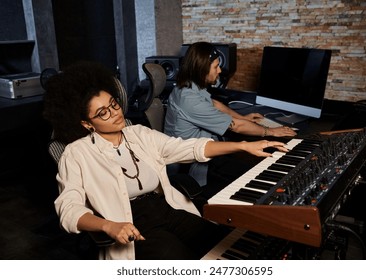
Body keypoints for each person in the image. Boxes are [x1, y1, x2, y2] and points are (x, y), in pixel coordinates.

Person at [43, 61, 289, 260]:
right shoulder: (76, 154)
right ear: (87, 124)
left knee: (222, 242)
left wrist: (244, 145)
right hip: (132, 222)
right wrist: (108, 226)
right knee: (177, 258)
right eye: (102, 113)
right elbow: (68, 208)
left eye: (114, 104)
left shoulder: (138, 133)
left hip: (166, 207)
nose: (115, 114)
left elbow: (188, 147)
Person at [164, 41, 297, 187]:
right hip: (195, 164)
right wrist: (270, 131)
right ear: (202, 69)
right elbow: (236, 127)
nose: (220, 71)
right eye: (216, 67)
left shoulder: (189, 86)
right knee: (258, 176)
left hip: (209, 148)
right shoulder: (189, 100)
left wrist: (243, 117)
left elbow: (214, 104)